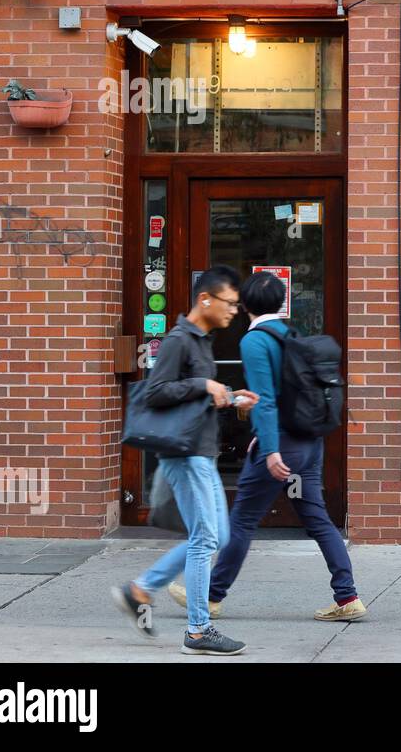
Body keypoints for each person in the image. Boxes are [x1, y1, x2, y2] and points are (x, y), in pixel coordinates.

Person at [168, 271, 365, 622]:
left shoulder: (255, 341)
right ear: (280, 301)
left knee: (242, 519)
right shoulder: (292, 333)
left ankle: (212, 596)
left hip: (282, 446)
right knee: (316, 516)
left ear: (244, 304)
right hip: (308, 442)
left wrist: (271, 449)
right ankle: (347, 596)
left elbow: (266, 399)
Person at [111, 265, 259, 656]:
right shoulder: (179, 339)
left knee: (217, 536)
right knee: (206, 539)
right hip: (186, 453)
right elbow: (157, 392)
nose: (233, 311)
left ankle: (140, 589)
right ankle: (197, 629)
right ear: (205, 299)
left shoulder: (202, 339)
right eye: (229, 303)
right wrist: (202, 384)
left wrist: (229, 393)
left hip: (202, 452)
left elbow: (193, 393)